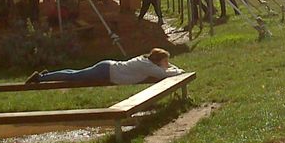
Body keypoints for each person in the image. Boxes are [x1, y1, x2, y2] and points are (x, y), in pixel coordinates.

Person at [26, 47, 183, 85]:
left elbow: (165, 69)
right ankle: (40, 77)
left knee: (75, 73)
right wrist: (179, 71)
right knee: (73, 76)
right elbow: (163, 74)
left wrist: (172, 68)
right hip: (106, 72)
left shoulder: (146, 61)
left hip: (107, 67)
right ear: (158, 61)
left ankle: (46, 74)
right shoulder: (148, 67)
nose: (167, 64)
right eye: (166, 61)